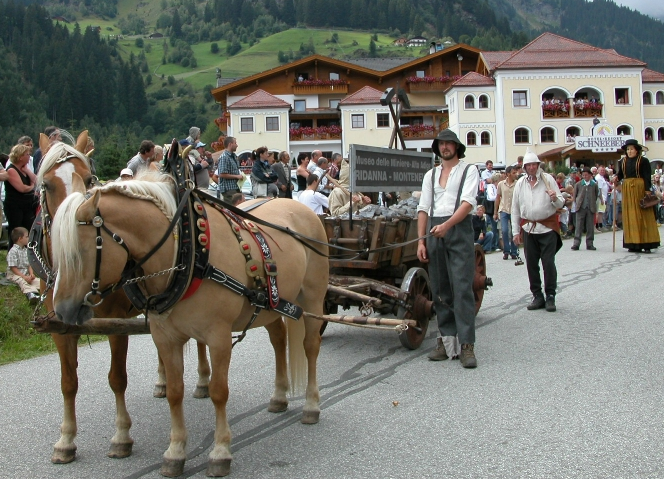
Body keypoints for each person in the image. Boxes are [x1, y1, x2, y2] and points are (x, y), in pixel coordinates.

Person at [417, 129, 480, 369]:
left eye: (449, 144)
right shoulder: (430, 175)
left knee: (462, 287)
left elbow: (468, 204)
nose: (445, 147)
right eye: (441, 144)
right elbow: (423, 208)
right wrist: (421, 240)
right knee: (440, 288)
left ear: (456, 147)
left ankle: (466, 345)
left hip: (458, 230)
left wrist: (447, 225)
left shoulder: (469, 170)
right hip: (434, 232)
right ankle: (446, 341)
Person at [511, 148, 564, 312]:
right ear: (525, 167)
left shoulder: (548, 180)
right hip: (528, 229)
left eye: (534, 164)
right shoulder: (520, 183)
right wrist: (515, 232)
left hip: (547, 228)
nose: (532, 168)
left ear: (538, 165)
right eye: (529, 165)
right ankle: (537, 295)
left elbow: (560, 203)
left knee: (548, 264)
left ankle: (550, 296)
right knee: (531, 265)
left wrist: (555, 198)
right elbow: (515, 209)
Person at [616, 139, 660, 253]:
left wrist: (647, 190)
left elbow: (646, 175)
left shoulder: (643, 161)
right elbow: (620, 174)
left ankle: (647, 243)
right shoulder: (622, 161)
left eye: (631, 149)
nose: (629, 151)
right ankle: (633, 243)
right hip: (627, 189)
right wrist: (616, 178)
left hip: (639, 188)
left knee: (643, 214)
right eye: (628, 149)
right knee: (630, 215)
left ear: (636, 150)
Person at [5, 144, 37, 249]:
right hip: (15, 206)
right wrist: (32, 187)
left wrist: (27, 171)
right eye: (27, 154)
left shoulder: (24, 169)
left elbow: (36, 180)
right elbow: (22, 188)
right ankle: (13, 254)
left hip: (27, 204)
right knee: (16, 231)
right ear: (20, 157)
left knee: (29, 228)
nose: (29, 157)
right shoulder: (11, 170)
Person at [6, 227, 40, 304]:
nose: (28, 238)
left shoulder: (26, 250)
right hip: (14, 275)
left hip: (25, 274)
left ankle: (44, 290)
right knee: (22, 281)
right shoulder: (13, 251)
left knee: (37, 281)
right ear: (20, 238)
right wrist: (23, 277)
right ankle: (31, 294)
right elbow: (13, 268)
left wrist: (31, 274)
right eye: (27, 236)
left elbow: (29, 265)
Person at [494, 165, 520, 261]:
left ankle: (514, 251)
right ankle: (506, 251)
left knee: (514, 231)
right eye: (513, 173)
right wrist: (495, 212)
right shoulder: (501, 184)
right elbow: (497, 198)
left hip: (514, 210)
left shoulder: (518, 184)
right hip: (503, 209)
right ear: (508, 174)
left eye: (515, 172)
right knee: (504, 231)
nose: (515, 174)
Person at [571, 168, 601, 251]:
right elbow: (575, 195)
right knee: (578, 226)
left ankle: (590, 243)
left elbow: (596, 194)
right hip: (580, 207)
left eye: (586, 175)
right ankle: (576, 243)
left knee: (590, 226)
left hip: (590, 207)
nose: (585, 176)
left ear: (590, 175)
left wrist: (592, 203)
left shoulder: (594, 184)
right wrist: (575, 204)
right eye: (583, 175)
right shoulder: (578, 184)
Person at [216, 136, 242, 202]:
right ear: (230, 144)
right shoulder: (224, 157)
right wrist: (237, 176)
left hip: (235, 188)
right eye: (235, 143)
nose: (237, 145)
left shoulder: (233, 157)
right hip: (228, 190)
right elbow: (221, 174)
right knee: (232, 209)